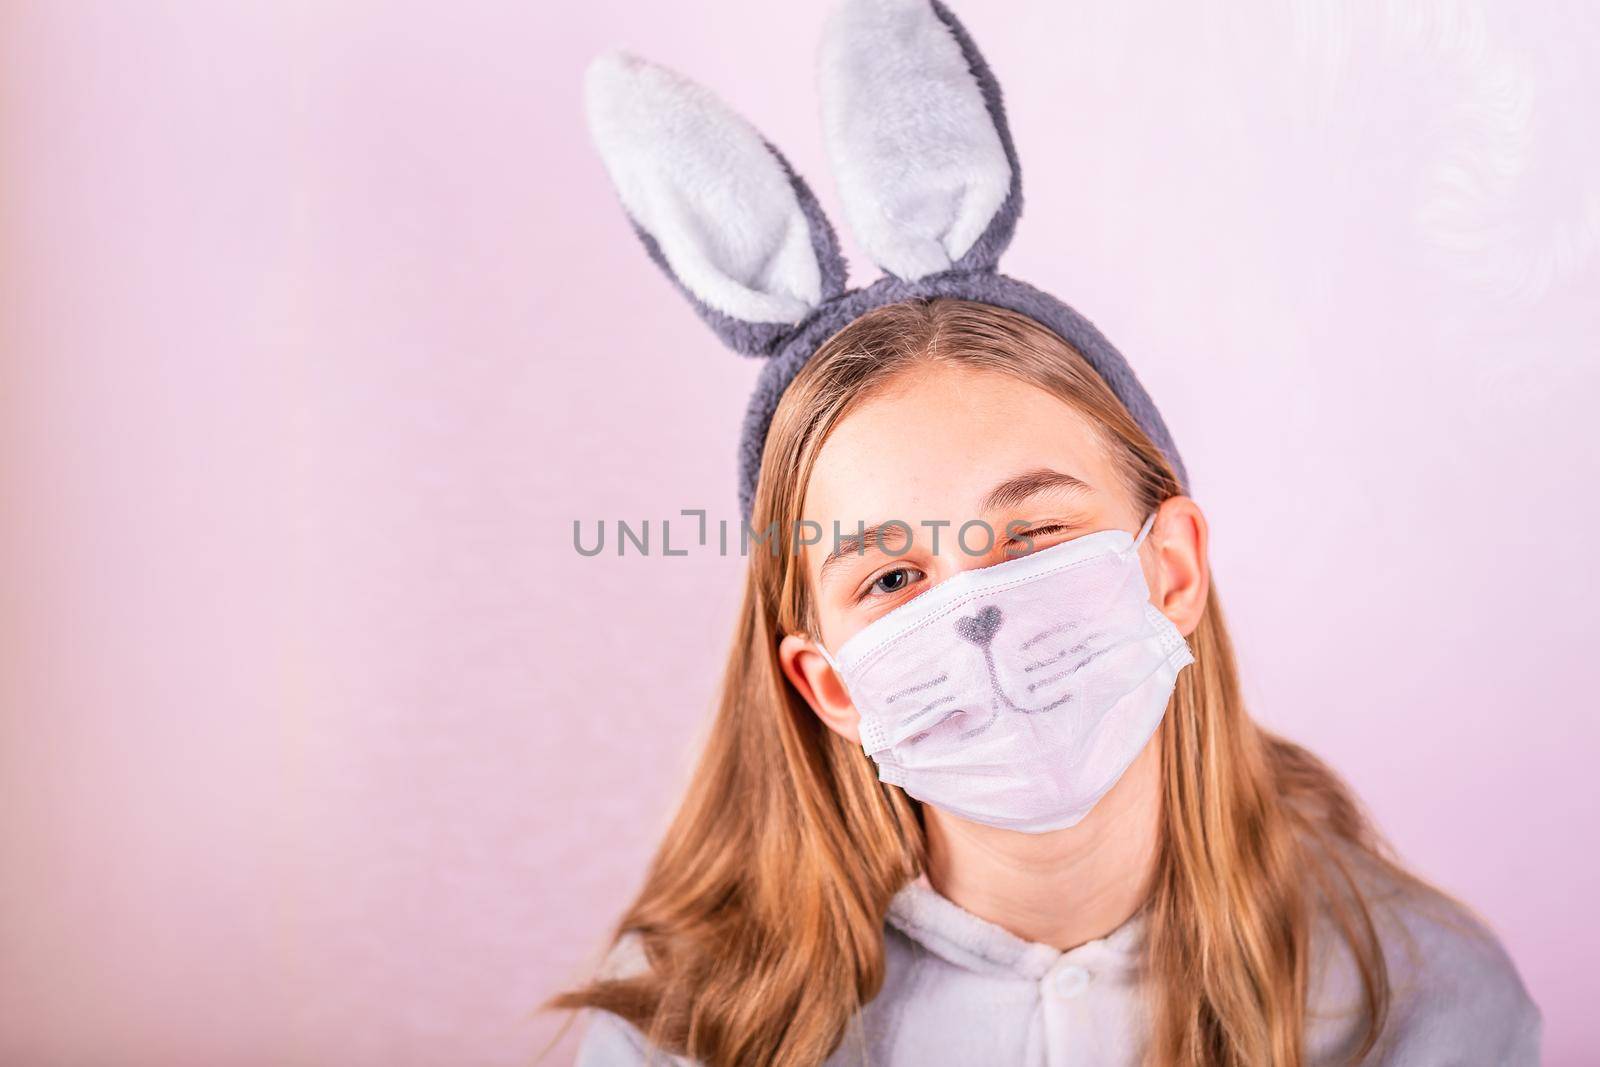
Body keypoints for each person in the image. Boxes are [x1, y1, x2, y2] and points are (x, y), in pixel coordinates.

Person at [551, 3, 1542, 1064]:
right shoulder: (689, 1028)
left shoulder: (1420, 995)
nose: (972, 608)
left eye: (1029, 533)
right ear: (833, 685)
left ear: (1169, 567)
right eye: (891, 575)